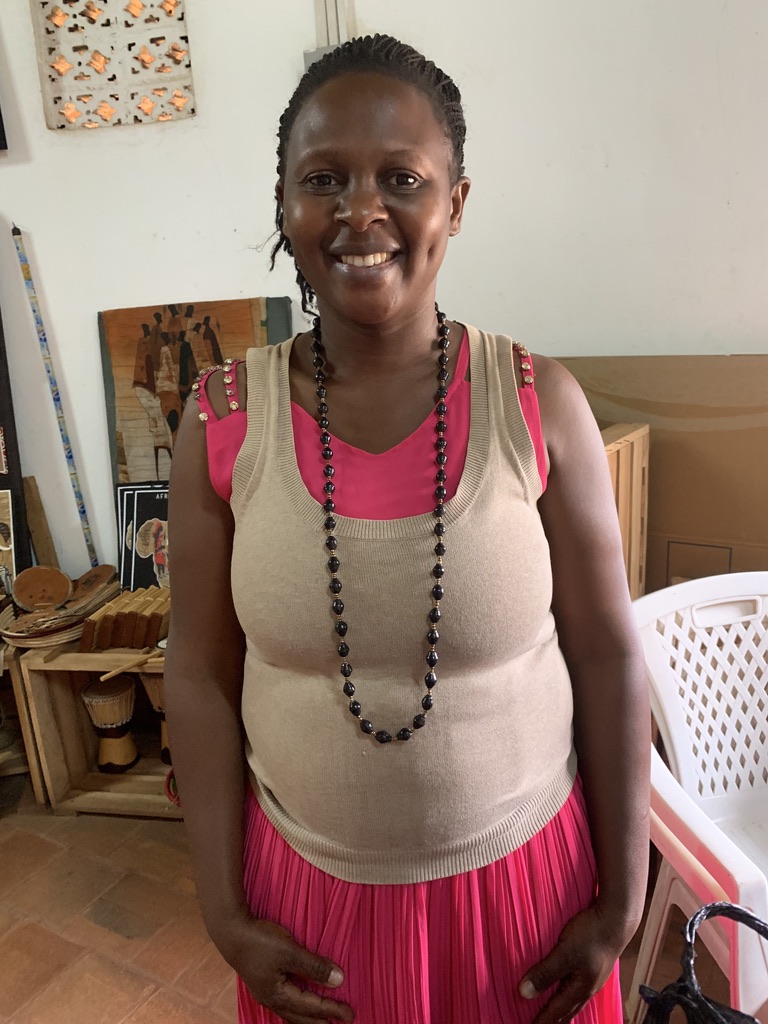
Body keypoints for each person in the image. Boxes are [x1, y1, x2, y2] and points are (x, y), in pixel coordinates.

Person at [164, 34, 650, 1024]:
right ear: (285, 204)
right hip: (312, 915)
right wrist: (222, 911)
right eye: (323, 179)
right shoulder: (221, 421)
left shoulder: (540, 404)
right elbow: (200, 674)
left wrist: (624, 897)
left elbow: (607, 654)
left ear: (455, 204)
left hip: (528, 902)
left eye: (402, 178)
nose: (360, 211)